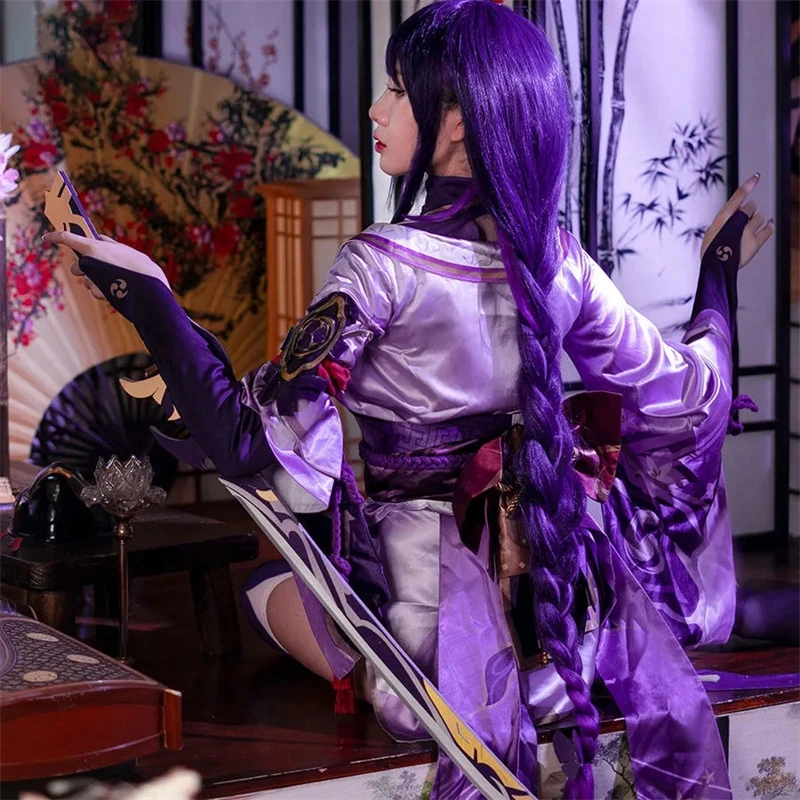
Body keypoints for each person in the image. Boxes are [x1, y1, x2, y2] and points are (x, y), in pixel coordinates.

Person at [44, 1, 775, 797]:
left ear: (455, 122)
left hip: (430, 622)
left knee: (262, 592)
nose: (375, 109)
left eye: (396, 89)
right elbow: (688, 398)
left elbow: (250, 441)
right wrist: (717, 276)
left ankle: (424, 675)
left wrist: (150, 297)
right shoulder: (559, 260)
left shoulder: (380, 266)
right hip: (566, 602)